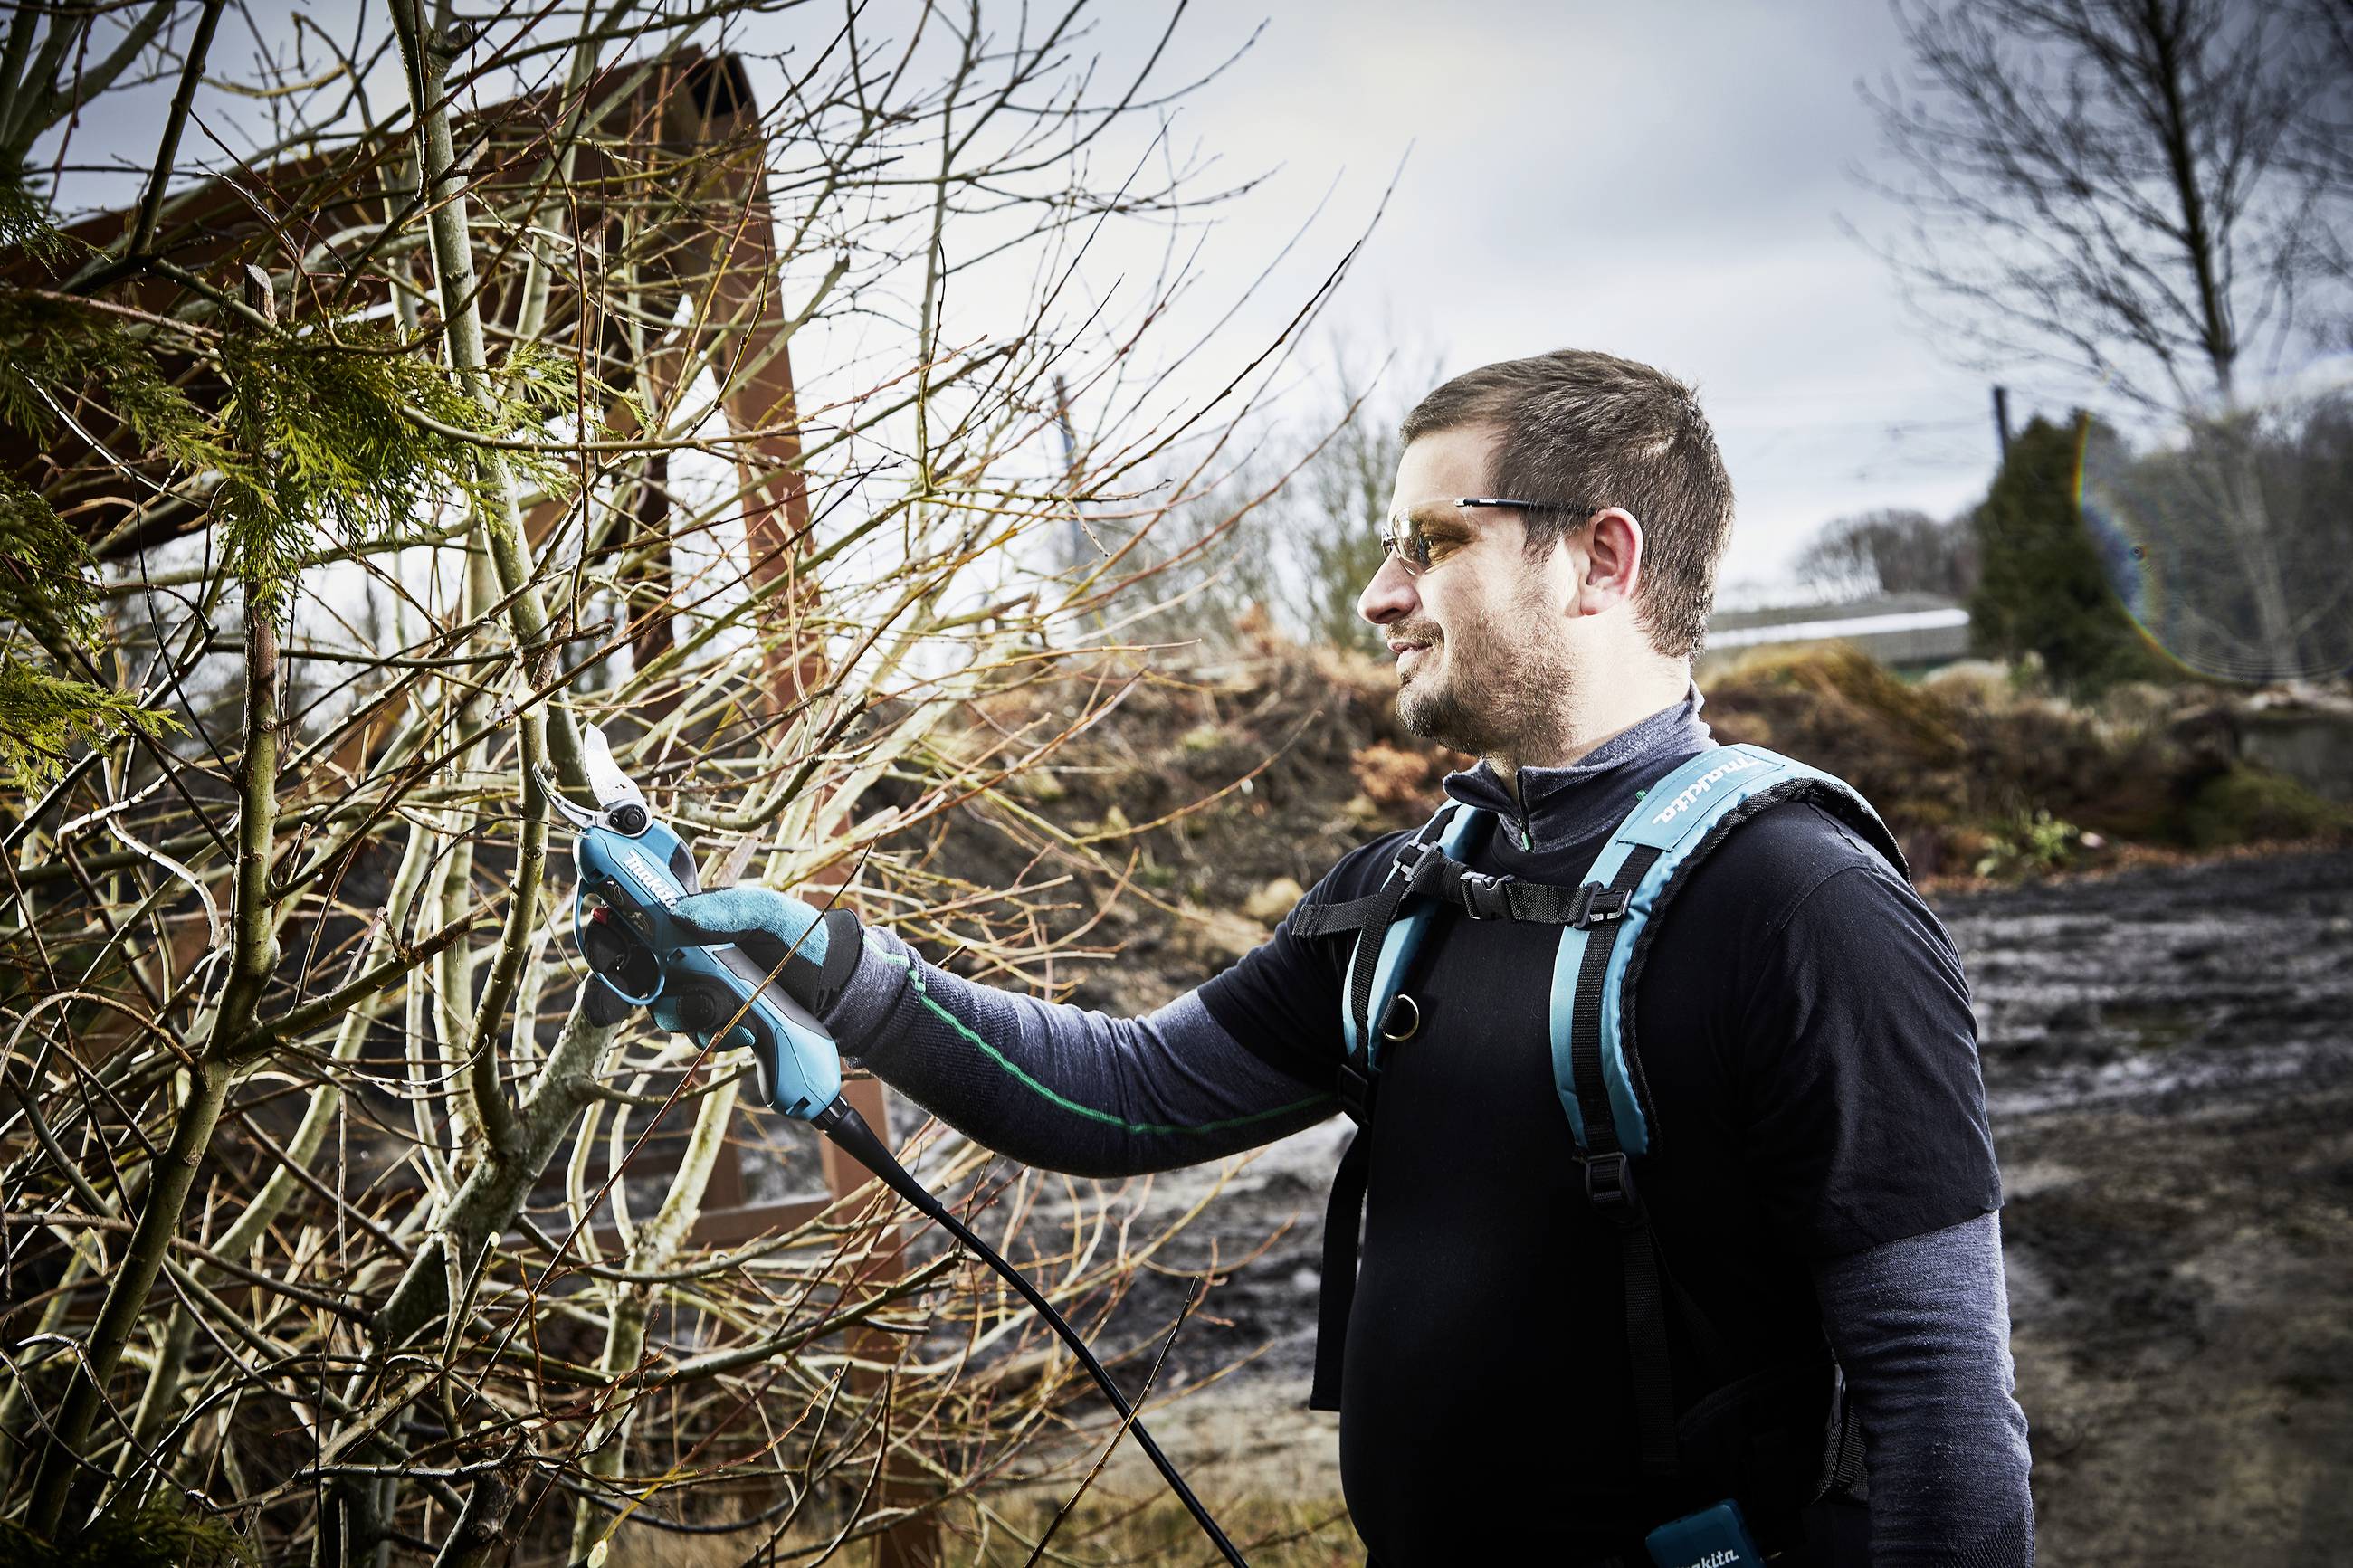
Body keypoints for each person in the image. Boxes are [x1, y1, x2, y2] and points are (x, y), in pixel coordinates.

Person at [668, 349, 2035, 1565]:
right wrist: (828, 967)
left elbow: (1946, 1426)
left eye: (1431, 539)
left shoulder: (1806, 908)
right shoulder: (1416, 888)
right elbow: (1129, 1092)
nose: (1380, 593)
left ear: (1600, 561)